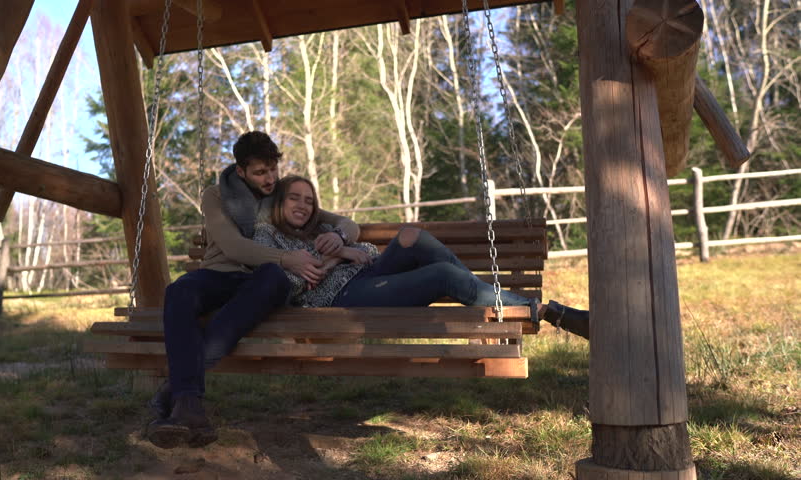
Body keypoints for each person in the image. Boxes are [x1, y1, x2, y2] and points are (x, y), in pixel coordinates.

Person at [146, 132, 360, 449]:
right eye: (260, 172)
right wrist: (287, 257)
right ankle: (188, 404)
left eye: (272, 169)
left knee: (275, 276)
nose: (270, 178)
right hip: (221, 274)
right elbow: (233, 246)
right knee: (180, 291)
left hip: (262, 281)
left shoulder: (283, 193)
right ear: (242, 170)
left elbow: (347, 222)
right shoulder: (216, 196)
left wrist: (341, 236)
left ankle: (174, 397)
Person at [253, 175, 590, 336]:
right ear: (280, 202)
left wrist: (342, 250)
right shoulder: (267, 235)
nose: (303, 205)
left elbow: (368, 253)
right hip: (340, 299)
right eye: (294, 198)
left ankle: (488, 297)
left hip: (364, 276)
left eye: (309, 200)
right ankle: (542, 310)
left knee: (411, 235)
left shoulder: (319, 231)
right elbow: (288, 284)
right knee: (442, 274)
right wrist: (334, 259)